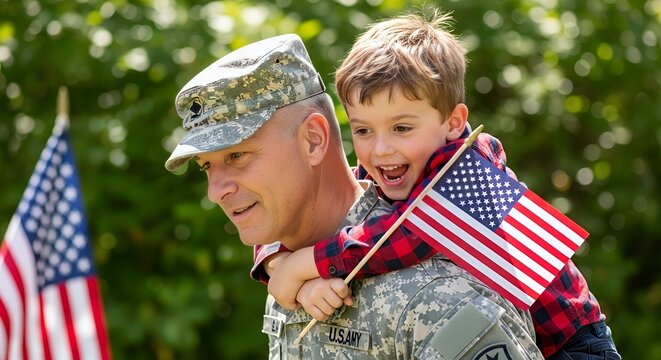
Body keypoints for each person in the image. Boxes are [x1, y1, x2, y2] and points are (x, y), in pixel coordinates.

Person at [257, 11, 621, 360]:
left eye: (401, 128)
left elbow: (405, 238)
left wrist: (310, 262)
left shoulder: (468, 168)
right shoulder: (389, 166)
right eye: (363, 130)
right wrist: (279, 262)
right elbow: (303, 209)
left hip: (570, 342)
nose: (380, 149)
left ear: (452, 122)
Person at [165, 33, 543, 359]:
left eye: (237, 155)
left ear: (313, 140)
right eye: (207, 166)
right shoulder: (290, 271)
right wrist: (283, 265)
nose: (216, 191)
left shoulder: (435, 293)